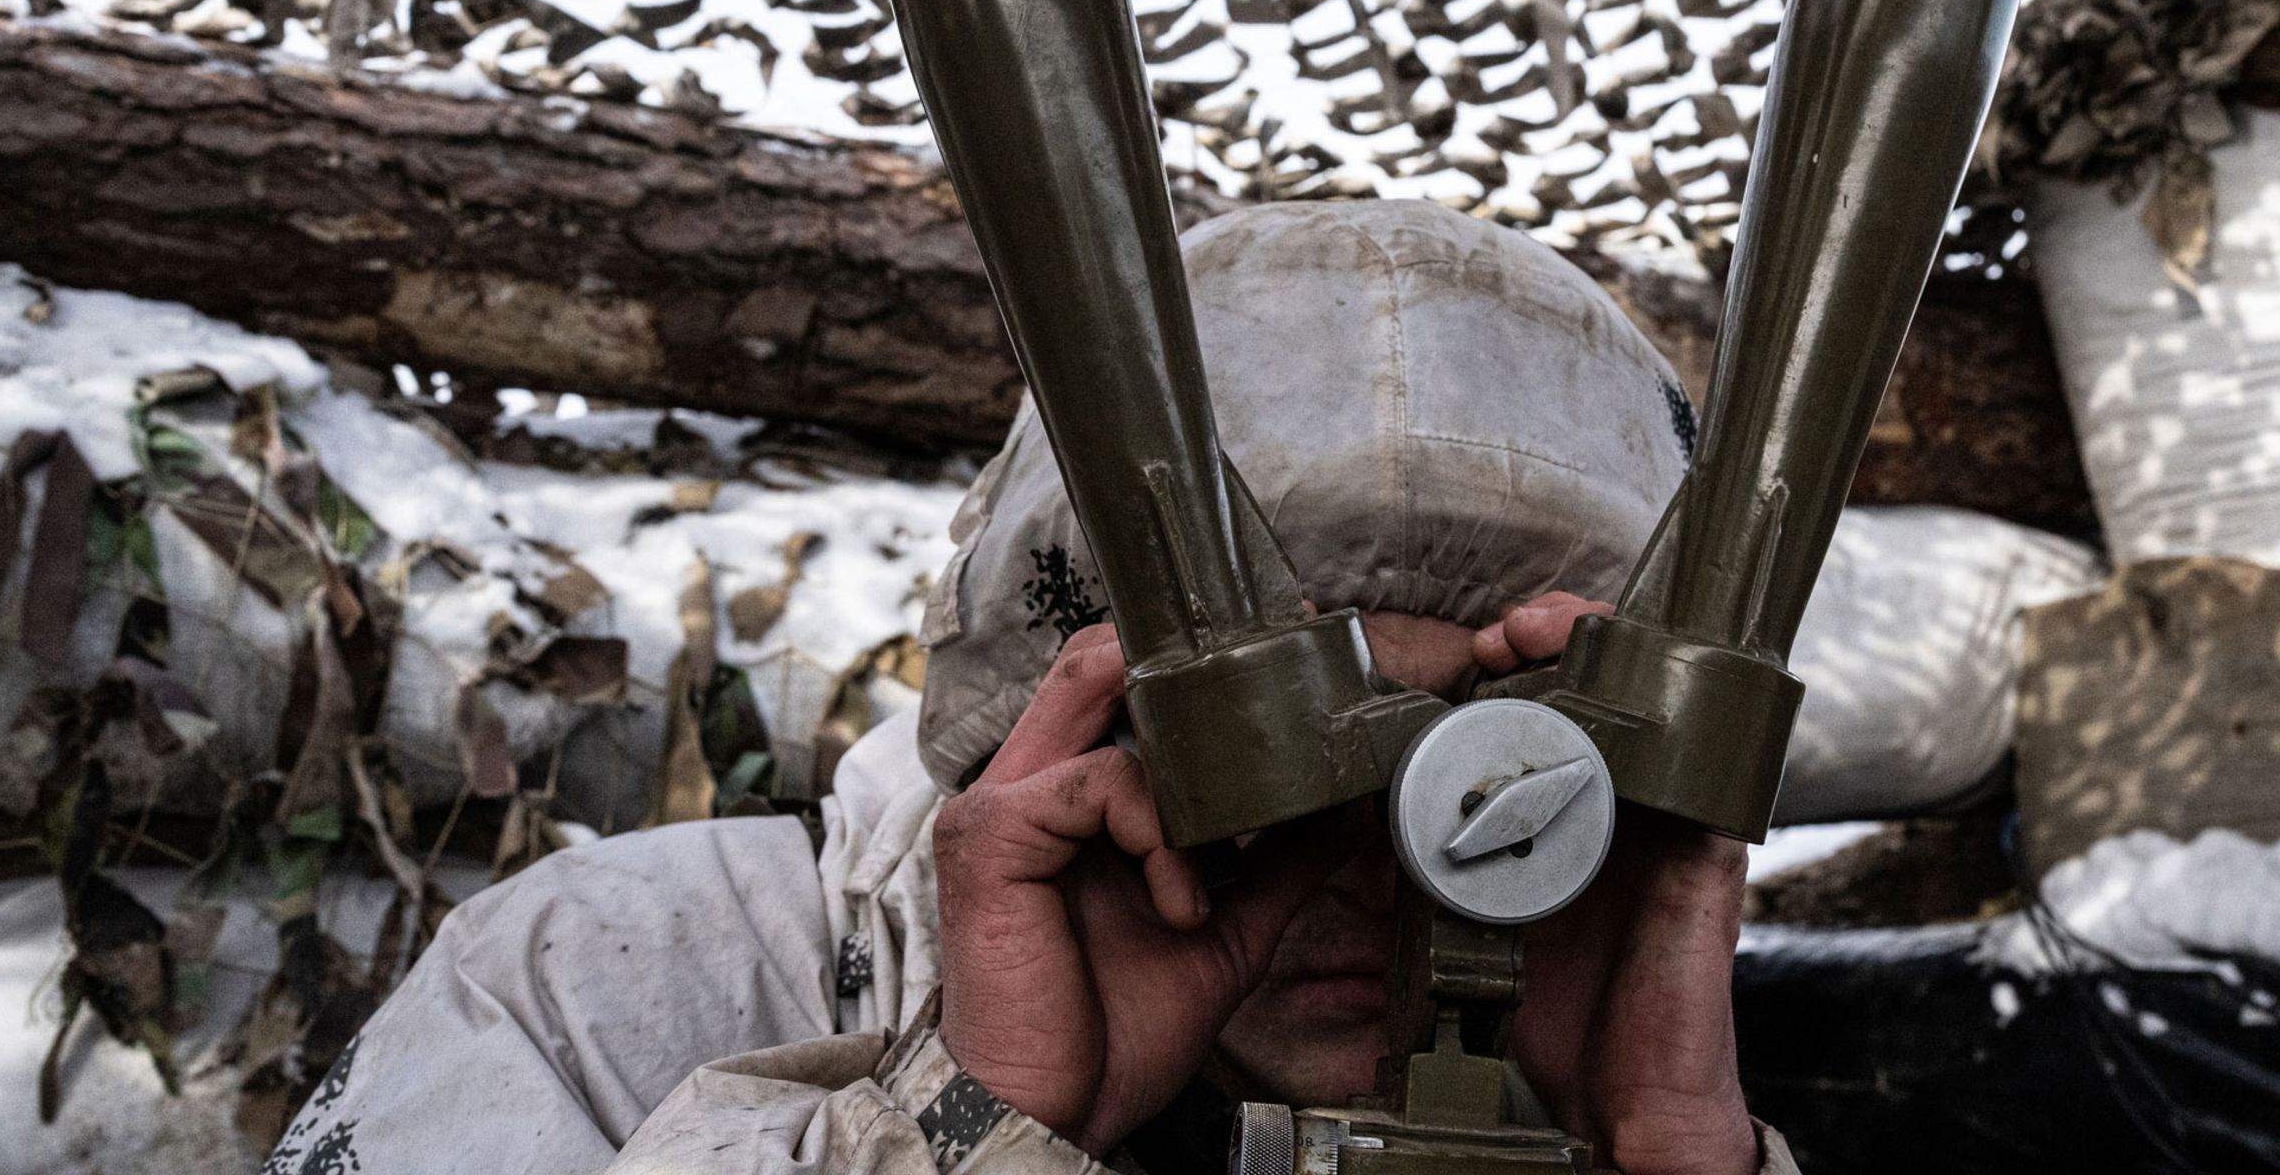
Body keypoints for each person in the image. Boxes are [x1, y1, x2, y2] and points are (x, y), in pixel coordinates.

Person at [263, 201, 1797, 1175]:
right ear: (1054, 726)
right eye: (1285, 780)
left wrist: (1672, 1155)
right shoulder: (616, 982)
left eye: (1476, 782)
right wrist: (968, 1125)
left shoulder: (1612, 1069)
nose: (1369, 882)